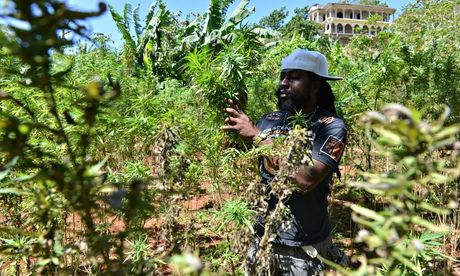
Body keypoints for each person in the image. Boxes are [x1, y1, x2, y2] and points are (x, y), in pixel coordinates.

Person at [222, 49, 348, 275]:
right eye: (283, 76)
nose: (283, 83)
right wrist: (232, 119)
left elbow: (305, 181)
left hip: (302, 247)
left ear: (316, 84)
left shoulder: (330, 126)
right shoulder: (269, 120)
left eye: (294, 77)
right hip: (262, 237)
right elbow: (239, 155)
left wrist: (255, 135)